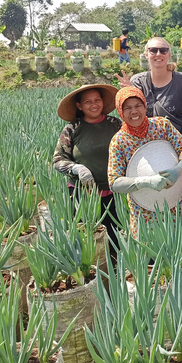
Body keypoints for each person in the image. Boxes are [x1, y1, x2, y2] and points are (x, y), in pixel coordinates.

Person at [107, 87, 182, 239]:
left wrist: (178, 170)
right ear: (120, 111)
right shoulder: (119, 141)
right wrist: (145, 182)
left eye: (138, 106)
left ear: (145, 106)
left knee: (180, 249)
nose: (134, 111)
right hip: (143, 211)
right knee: (150, 256)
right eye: (127, 108)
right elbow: (114, 182)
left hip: (175, 203)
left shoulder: (161, 126)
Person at [53, 84, 123, 253]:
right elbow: (58, 159)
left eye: (97, 100)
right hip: (83, 194)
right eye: (88, 102)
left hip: (114, 192)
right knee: (88, 239)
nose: (94, 105)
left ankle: (116, 270)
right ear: (79, 106)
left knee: (116, 237)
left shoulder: (115, 124)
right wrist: (76, 168)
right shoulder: (73, 128)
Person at [116, 38, 182, 143]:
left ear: (169, 55)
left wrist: (180, 135)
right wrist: (130, 93)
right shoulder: (137, 82)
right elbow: (131, 116)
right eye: (153, 50)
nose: (158, 54)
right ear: (146, 54)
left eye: (163, 50)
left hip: (177, 146)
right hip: (147, 145)